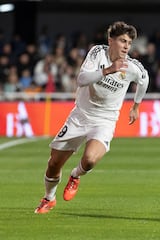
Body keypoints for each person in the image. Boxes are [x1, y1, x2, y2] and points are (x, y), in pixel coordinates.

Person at [34, 21, 149, 214]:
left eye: (129, 42)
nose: (127, 46)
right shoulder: (97, 53)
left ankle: (75, 175)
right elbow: (81, 80)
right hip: (80, 116)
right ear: (110, 40)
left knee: (90, 159)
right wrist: (109, 70)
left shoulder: (133, 66)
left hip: (105, 120)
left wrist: (136, 106)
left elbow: (144, 81)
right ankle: (49, 198)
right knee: (54, 163)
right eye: (122, 41)